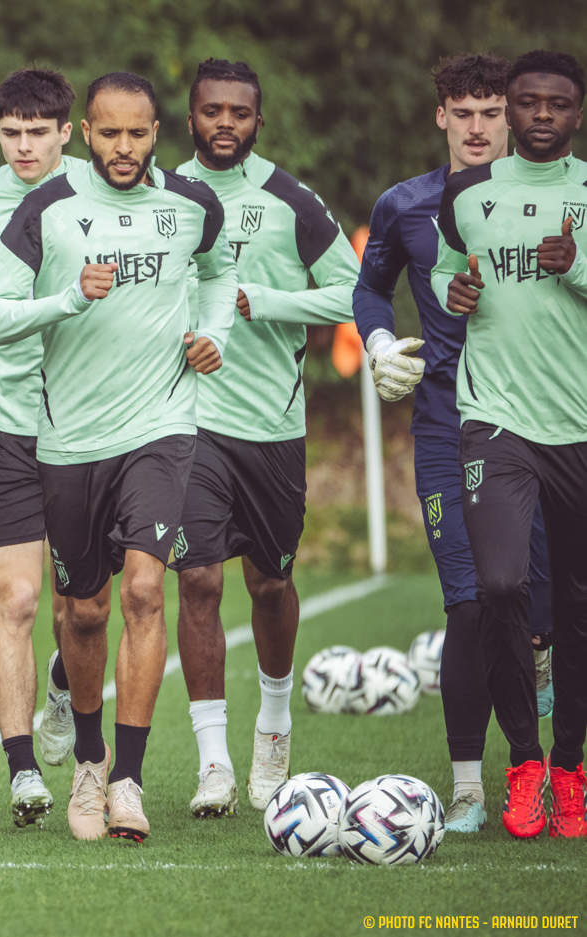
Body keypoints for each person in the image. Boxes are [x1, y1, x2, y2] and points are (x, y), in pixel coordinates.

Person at [0, 72, 237, 842]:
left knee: (146, 591)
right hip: (69, 439)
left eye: (138, 133)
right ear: (85, 133)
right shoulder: (46, 210)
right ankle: (88, 757)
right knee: (84, 611)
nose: (125, 147)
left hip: (161, 426)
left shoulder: (192, 205)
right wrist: (68, 299)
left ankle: (128, 778)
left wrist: (212, 333)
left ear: (158, 132)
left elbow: (221, 270)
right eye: (110, 133)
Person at [353, 53, 554, 833]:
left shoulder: (553, 202)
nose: (477, 126)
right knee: (469, 602)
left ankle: (550, 738)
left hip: (542, 419)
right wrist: (378, 342)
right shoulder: (404, 205)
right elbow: (370, 287)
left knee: (543, 605)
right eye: (462, 112)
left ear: (513, 116)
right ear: (441, 116)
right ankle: (469, 785)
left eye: (490, 112)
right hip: (447, 423)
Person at [169, 59, 359, 817]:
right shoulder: (162, 195)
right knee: (198, 580)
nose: (225, 123)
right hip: (187, 421)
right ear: (190, 118)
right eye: (212, 111)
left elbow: (356, 292)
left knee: (270, 584)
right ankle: (213, 762)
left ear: (257, 121)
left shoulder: (291, 201)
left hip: (272, 426)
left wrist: (266, 300)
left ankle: (274, 727)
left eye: (239, 113)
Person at [434, 49, 586, 839]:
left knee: (578, 604)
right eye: (527, 101)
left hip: (580, 424)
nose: (541, 114)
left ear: (578, 113)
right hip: (495, 417)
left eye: (557, 103)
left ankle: (571, 767)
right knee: (498, 585)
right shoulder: (467, 193)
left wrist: (578, 266)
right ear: (510, 109)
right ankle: (524, 761)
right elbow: (443, 273)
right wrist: (452, 290)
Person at [0, 67, 84, 828]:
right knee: (18, 597)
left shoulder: (102, 193)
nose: (24, 146)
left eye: (38, 132)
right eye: (10, 133)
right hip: (2, 420)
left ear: (67, 132)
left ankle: (63, 682)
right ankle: (22, 769)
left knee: (79, 606)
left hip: (84, 422)